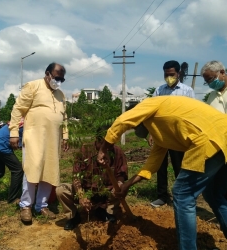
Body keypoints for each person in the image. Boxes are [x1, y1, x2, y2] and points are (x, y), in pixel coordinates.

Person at [97, 96, 227, 250]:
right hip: (222, 134)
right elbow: (152, 164)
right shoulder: (161, 134)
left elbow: (123, 120)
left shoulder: (150, 103)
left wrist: (104, 148)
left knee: (182, 194)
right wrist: (127, 185)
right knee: (214, 195)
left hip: (208, 138)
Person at [9, 62, 69, 224]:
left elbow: (64, 118)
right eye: (57, 78)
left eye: (62, 79)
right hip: (34, 137)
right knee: (32, 169)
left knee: (49, 170)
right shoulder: (33, 86)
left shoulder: (61, 95)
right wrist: (14, 132)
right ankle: (26, 206)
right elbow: (18, 110)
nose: (59, 81)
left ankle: (41, 205)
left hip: (53, 139)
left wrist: (65, 136)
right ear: (47, 73)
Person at [56, 130, 128, 230]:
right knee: (61, 190)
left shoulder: (117, 151)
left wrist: (119, 184)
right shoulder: (85, 150)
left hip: (106, 194)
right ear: (96, 141)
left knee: (121, 188)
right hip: (86, 191)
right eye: (102, 143)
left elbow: (121, 174)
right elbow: (76, 176)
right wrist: (81, 196)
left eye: (109, 144)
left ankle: (107, 212)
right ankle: (73, 217)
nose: (105, 148)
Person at [149, 60, 195, 208]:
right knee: (160, 166)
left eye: (171, 74)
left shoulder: (187, 91)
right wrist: (151, 132)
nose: (169, 77)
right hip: (161, 135)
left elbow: (192, 114)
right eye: (166, 74)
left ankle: (181, 197)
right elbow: (153, 112)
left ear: (178, 73)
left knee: (179, 166)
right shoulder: (159, 91)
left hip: (178, 136)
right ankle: (162, 196)